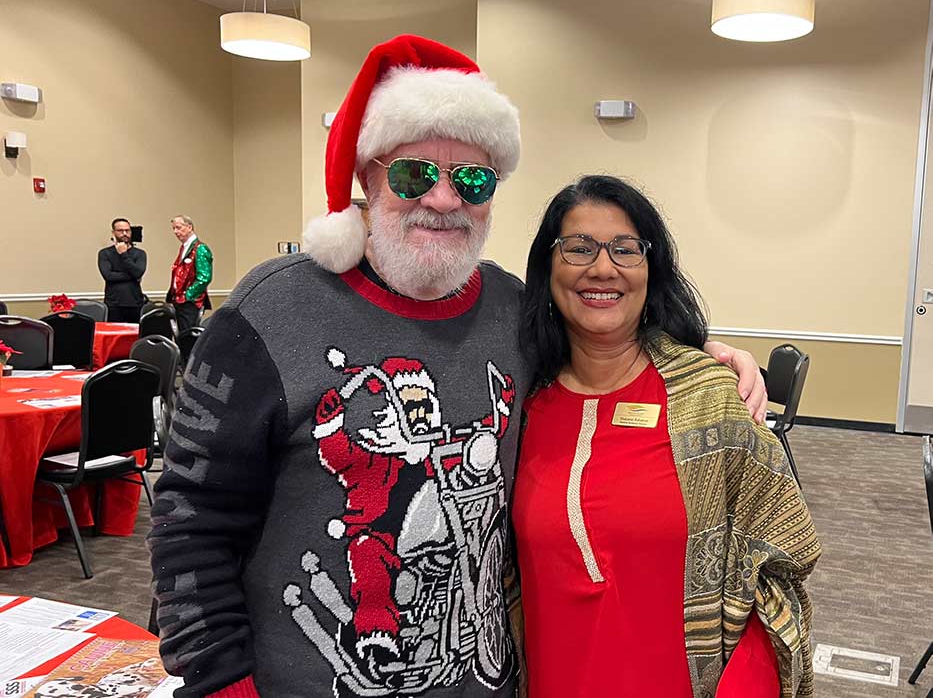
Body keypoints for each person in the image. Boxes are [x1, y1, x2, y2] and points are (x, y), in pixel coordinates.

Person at [148, 36, 767, 698]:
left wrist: (698, 360)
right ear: (367, 179)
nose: (443, 200)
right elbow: (191, 517)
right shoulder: (273, 309)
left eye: (472, 179)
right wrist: (220, 680)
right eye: (413, 175)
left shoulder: (513, 311)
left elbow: (607, 342)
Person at [513, 175, 821, 698]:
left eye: (625, 248)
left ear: (650, 268)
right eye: (579, 247)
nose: (602, 267)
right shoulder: (520, 403)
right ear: (548, 267)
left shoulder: (710, 399)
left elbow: (780, 563)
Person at [165, 214, 212, 334]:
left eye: (178, 227)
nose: (175, 232)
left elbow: (204, 277)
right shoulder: (184, 247)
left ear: (189, 227)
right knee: (181, 334)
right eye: (173, 228)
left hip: (190, 303)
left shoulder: (200, 249)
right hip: (179, 301)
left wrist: (187, 295)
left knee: (188, 335)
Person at [97, 217, 146, 322]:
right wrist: (132, 276)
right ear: (113, 232)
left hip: (135, 303)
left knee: (136, 331)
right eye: (120, 230)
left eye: (127, 230)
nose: (124, 233)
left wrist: (124, 254)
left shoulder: (140, 254)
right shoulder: (105, 253)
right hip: (113, 304)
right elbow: (108, 276)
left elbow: (138, 273)